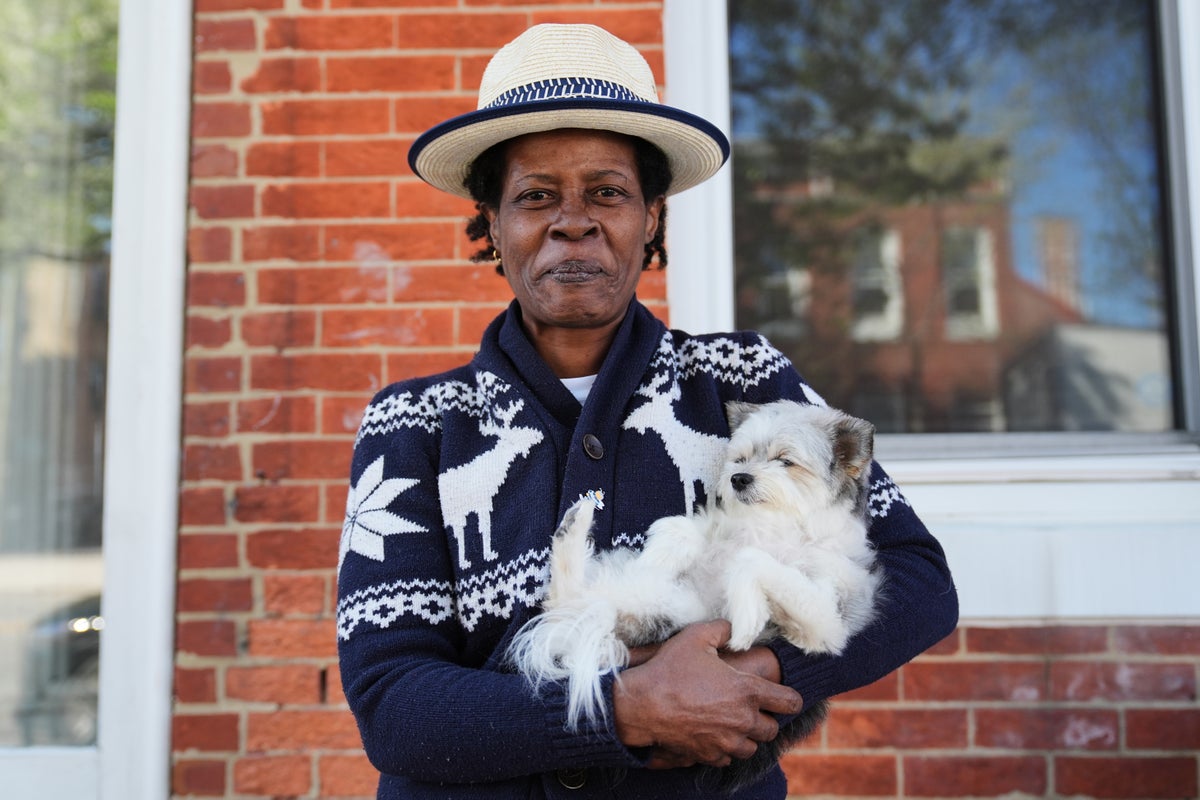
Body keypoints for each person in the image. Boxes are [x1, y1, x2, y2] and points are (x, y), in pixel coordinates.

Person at [336, 23, 957, 800]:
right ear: (492, 222)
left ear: (652, 216)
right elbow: (393, 703)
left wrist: (757, 672)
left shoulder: (741, 382)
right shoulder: (416, 426)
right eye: (535, 196)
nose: (573, 220)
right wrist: (626, 710)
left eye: (607, 192)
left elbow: (915, 578)